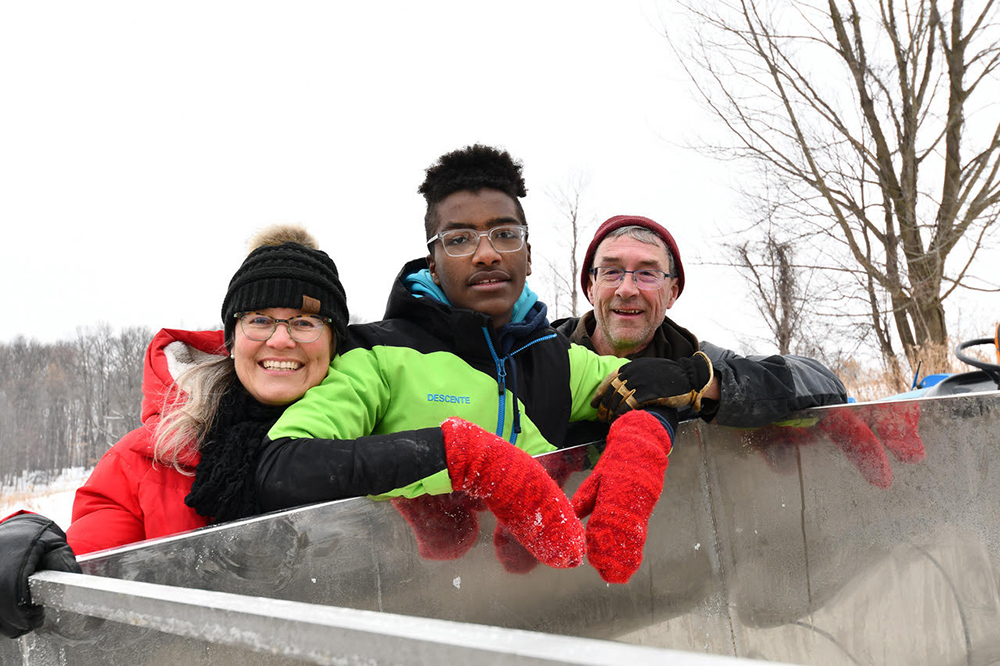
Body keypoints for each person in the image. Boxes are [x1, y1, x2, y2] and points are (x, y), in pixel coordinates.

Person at [256, 145, 680, 584]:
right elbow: (283, 465)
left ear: (529, 255)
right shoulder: (376, 357)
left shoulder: (562, 359)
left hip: (552, 602)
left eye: (505, 234)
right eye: (458, 240)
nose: (487, 255)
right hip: (412, 606)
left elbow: (654, 391)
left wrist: (641, 444)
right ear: (433, 266)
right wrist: (459, 456)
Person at [0, 225, 357, 638]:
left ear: (335, 341)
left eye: (305, 321)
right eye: (259, 319)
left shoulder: (380, 441)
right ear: (232, 337)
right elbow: (83, 603)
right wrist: (29, 547)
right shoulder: (144, 461)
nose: (280, 340)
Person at [553, 215, 924, 485]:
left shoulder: (700, 360)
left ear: (673, 292)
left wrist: (703, 384)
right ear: (590, 285)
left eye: (647, 274)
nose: (627, 289)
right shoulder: (538, 359)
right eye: (612, 272)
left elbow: (822, 382)